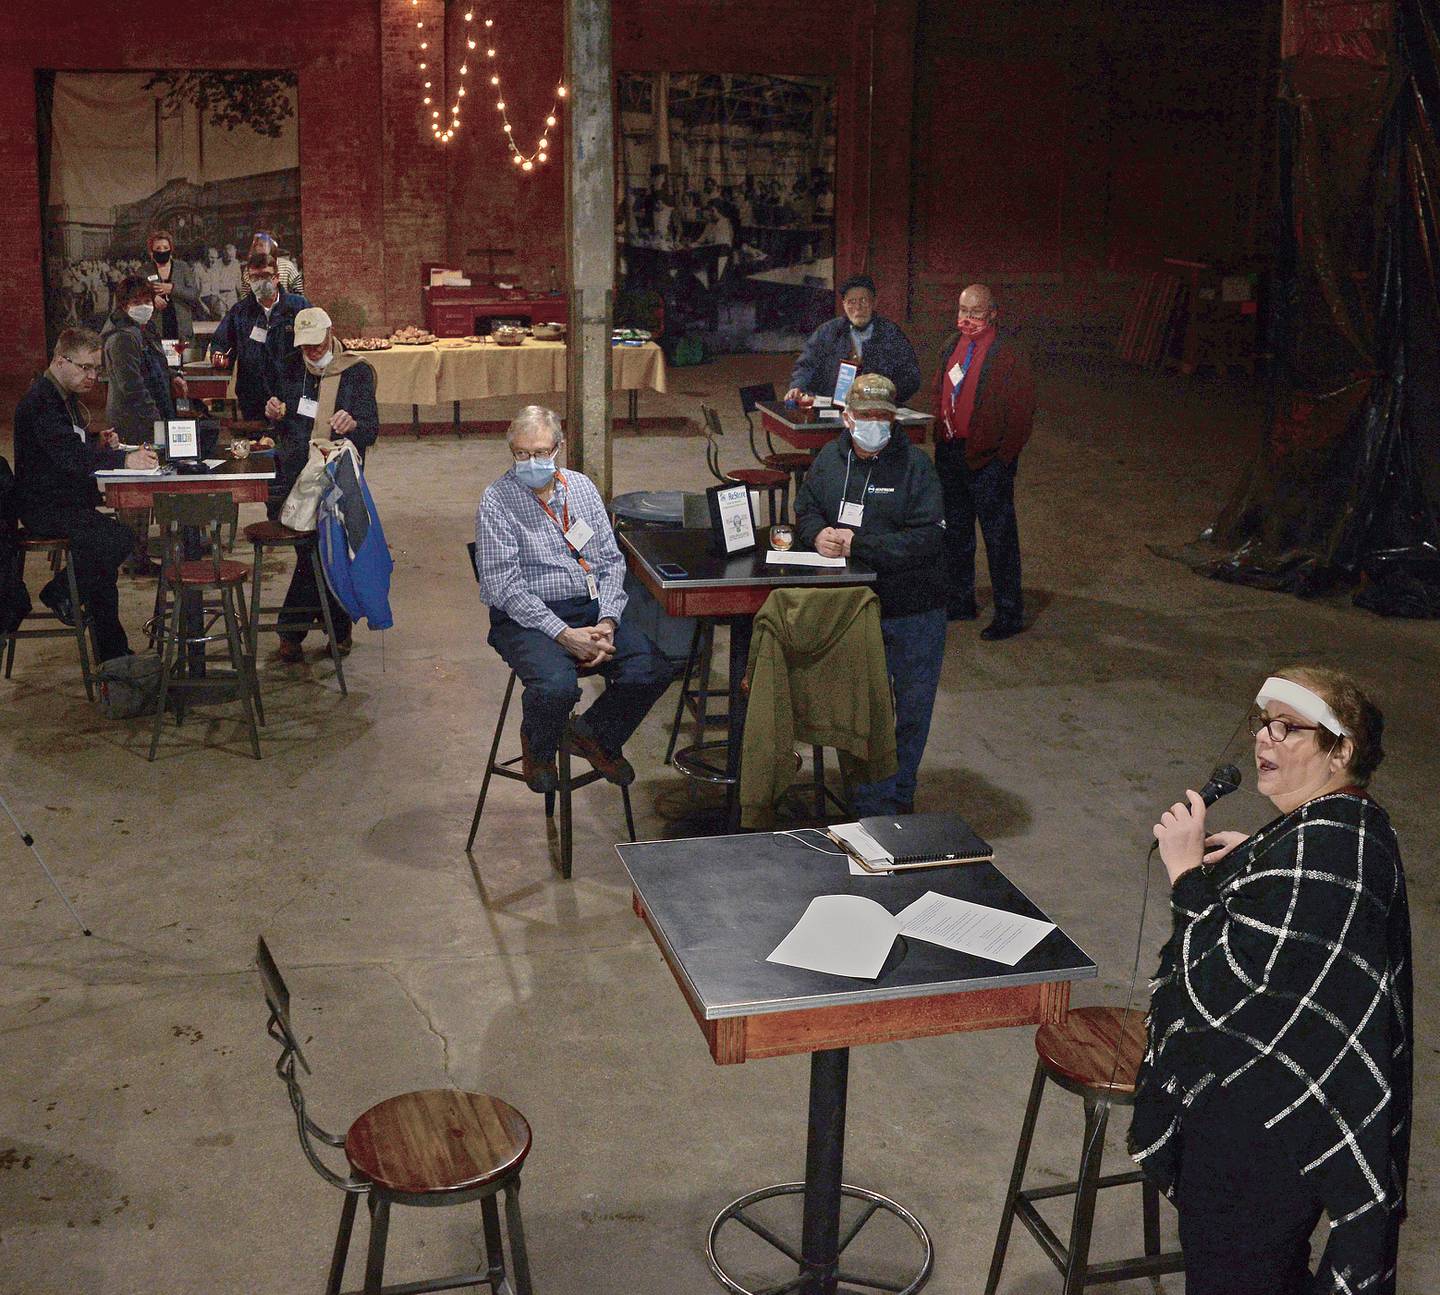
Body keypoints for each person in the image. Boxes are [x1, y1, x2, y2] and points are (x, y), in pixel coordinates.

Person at [1135, 667, 1412, 1295]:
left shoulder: (1329, 850)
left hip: (1265, 1126)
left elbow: (1227, 986)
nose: (1266, 739)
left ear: (1340, 750)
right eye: (1265, 723)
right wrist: (1257, 855)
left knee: (1233, 1274)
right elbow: (1291, 921)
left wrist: (1185, 875)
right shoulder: (1348, 826)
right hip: (1288, 1115)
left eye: (1289, 728)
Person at [474, 406, 673, 794]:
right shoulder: (496, 501)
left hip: (590, 608)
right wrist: (565, 635)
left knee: (652, 668)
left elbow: (611, 561)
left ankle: (594, 734)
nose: (532, 462)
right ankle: (539, 744)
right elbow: (505, 588)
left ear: (560, 449)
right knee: (556, 686)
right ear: (511, 452)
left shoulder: (580, 488)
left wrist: (608, 622)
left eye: (541, 453)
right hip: (526, 617)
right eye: (521, 454)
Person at [793, 373, 947, 815]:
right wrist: (816, 533)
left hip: (915, 608)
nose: (873, 424)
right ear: (847, 417)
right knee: (863, 710)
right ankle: (869, 798)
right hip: (855, 608)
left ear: (895, 420)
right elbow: (806, 508)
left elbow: (927, 539)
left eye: (883, 417)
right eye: (865, 416)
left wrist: (860, 543)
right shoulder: (829, 459)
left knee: (911, 711)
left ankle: (898, 798)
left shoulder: (916, 468)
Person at [12, 327, 158, 663]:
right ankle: (59, 591)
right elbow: (69, 458)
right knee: (118, 539)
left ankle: (113, 654)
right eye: (85, 368)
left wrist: (97, 444)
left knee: (103, 566)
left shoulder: (61, 397)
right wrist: (124, 459)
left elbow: (70, 448)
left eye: (96, 369)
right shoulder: (41, 402)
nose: (92, 376)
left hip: (64, 500)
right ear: (61, 361)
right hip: (44, 508)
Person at [264, 307, 378, 662]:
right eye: (305, 346)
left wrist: (353, 423)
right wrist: (275, 414)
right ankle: (337, 629)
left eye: (317, 343)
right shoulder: (292, 368)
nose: (312, 352)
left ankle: (293, 631)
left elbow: (371, 429)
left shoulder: (356, 372)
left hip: (336, 482)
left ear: (331, 334)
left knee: (318, 550)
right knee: (316, 553)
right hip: (292, 480)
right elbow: (284, 428)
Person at [931, 283, 1035, 640]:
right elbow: (940, 391)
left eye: (976, 313)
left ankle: (1009, 612)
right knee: (956, 534)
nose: (968, 319)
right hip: (951, 455)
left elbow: (1021, 415)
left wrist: (1003, 459)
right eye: (963, 311)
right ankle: (960, 600)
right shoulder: (951, 346)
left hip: (989, 461)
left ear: (992, 313)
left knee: (999, 538)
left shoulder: (1008, 356)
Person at [785, 274, 921, 408]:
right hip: (833, 410)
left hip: (877, 413)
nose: (858, 307)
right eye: (851, 302)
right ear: (844, 305)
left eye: (863, 301)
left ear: (873, 302)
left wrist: (885, 393)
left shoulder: (891, 333)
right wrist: (798, 387)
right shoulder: (828, 332)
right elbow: (807, 365)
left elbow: (911, 376)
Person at [209, 252, 310, 420]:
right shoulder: (239, 311)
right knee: (258, 444)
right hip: (253, 395)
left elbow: (317, 340)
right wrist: (219, 355)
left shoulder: (298, 306)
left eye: (265, 276)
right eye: (254, 277)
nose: (259, 281)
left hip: (292, 393)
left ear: (277, 277)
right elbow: (221, 342)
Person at [145, 229, 201, 349]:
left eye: (165, 247)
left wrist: (172, 289)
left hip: (181, 330)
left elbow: (194, 295)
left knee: (184, 366)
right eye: (158, 248)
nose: (162, 251)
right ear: (151, 251)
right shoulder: (144, 271)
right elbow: (135, 295)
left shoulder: (183, 267)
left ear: (171, 249)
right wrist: (152, 298)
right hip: (156, 332)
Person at [248, 232, 304, 296]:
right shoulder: (250, 269)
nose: (258, 248)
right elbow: (245, 294)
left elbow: (298, 291)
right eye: (256, 245)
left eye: (261, 245)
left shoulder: (287, 266)